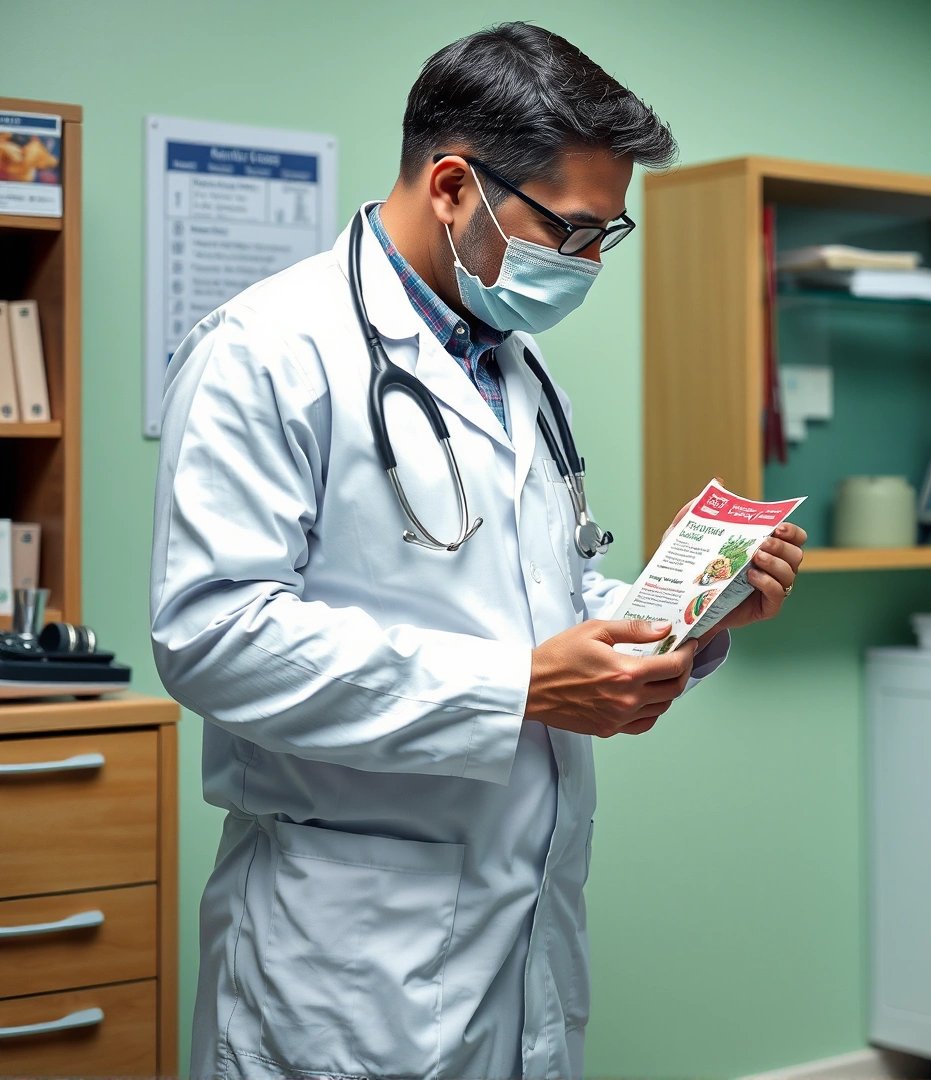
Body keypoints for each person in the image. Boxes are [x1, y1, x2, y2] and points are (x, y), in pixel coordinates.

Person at [149, 24, 806, 1080]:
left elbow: (534, 592)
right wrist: (520, 687)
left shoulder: (518, 369)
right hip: (345, 945)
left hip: (523, 919)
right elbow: (215, 636)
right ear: (452, 183)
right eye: (573, 231)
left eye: (606, 236)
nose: (587, 262)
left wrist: (685, 612)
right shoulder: (267, 351)